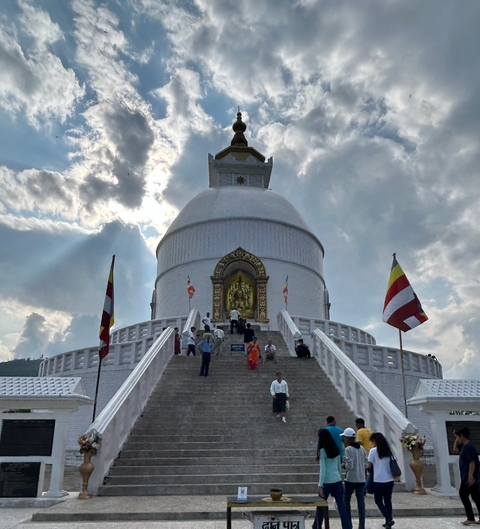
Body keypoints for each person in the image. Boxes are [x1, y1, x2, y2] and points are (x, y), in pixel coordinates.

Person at [313, 428, 352, 529]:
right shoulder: (336, 450)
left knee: (320, 506)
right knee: (341, 505)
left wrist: (320, 485)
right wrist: (338, 477)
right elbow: (339, 467)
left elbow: (323, 469)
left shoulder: (322, 451)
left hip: (326, 482)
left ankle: (316, 526)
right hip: (337, 480)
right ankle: (347, 526)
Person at [453, 427, 480, 526]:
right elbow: (455, 448)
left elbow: (472, 462)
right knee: (476, 496)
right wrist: (457, 437)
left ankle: (470, 518)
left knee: (463, 494)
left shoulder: (469, 446)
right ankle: (473, 517)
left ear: (462, 436)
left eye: (458, 436)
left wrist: (470, 475)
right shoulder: (464, 446)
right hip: (467, 475)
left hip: (469, 477)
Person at [367, 432, 395, 529]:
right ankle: (388, 521)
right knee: (388, 500)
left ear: (375, 441)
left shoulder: (373, 451)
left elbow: (369, 465)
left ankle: (388, 518)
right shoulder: (388, 451)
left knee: (378, 500)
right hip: (389, 479)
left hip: (378, 479)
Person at [341, 427, 367, 529]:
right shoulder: (362, 448)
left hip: (350, 479)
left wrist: (343, 465)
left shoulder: (348, 449)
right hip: (361, 479)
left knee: (346, 501)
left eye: (345, 438)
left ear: (348, 438)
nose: (344, 440)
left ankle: (348, 525)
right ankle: (362, 526)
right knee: (361, 503)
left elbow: (349, 466)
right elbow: (366, 464)